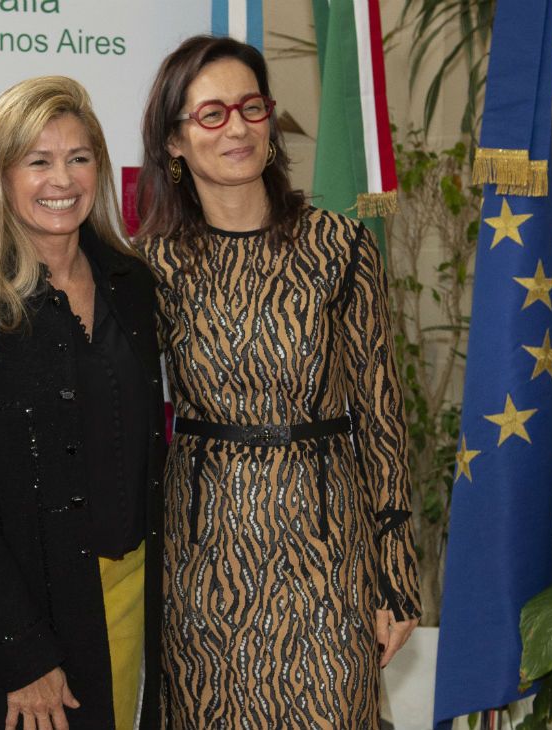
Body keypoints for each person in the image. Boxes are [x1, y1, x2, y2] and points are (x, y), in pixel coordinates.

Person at [134, 36, 421, 728]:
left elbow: (380, 415)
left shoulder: (340, 245)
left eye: (250, 106)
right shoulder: (149, 265)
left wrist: (398, 569)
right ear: (173, 142)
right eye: (211, 114)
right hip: (205, 552)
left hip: (328, 543)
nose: (236, 127)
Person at [0, 76, 166, 730]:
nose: (63, 179)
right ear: (0, 174)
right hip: (11, 626)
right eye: (39, 161)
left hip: (129, 597)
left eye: (79, 158)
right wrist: (22, 650)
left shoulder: (131, 283)